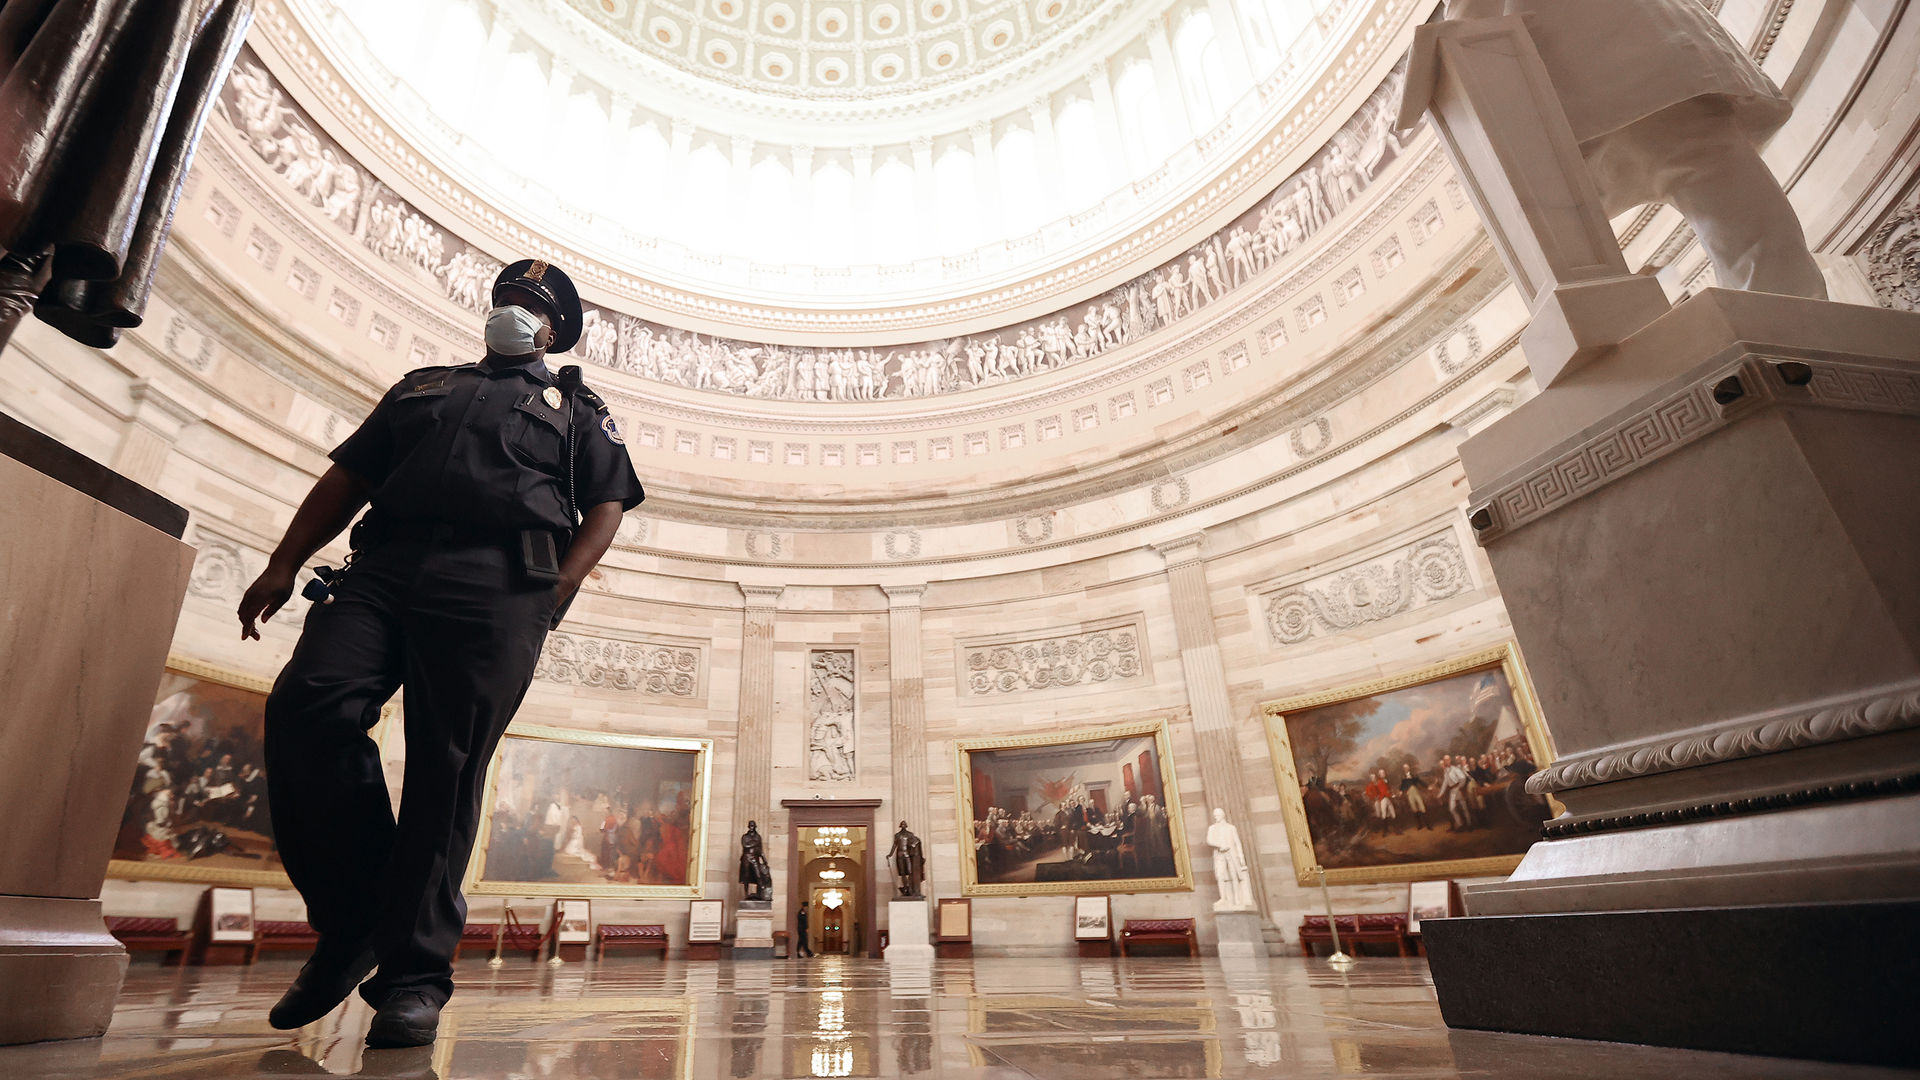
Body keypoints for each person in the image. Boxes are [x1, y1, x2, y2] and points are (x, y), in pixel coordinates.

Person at [236, 259, 644, 1048]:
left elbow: (606, 505)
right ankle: (354, 922)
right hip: (383, 568)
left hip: (498, 583)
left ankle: (413, 980)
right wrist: (285, 560)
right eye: (505, 299)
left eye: (528, 306)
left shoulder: (576, 408)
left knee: (445, 770)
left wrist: (553, 592)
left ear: (553, 330)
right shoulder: (424, 384)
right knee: (307, 705)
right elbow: (349, 476)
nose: (510, 312)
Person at [1441, 0, 1825, 299]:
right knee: (1719, 186)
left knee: (1721, 186)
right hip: (1597, 79)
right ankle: (1784, 328)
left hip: (1627, 66)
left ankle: (1790, 332)